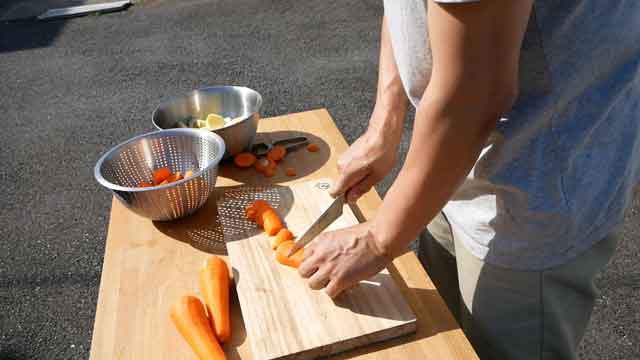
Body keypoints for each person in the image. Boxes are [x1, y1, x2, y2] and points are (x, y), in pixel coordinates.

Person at [296, 0, 640, 359]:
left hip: (534, 180)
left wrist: (378, 238)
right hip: (454, 152)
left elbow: (479, 94)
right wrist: (385, 121)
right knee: (446, 344)